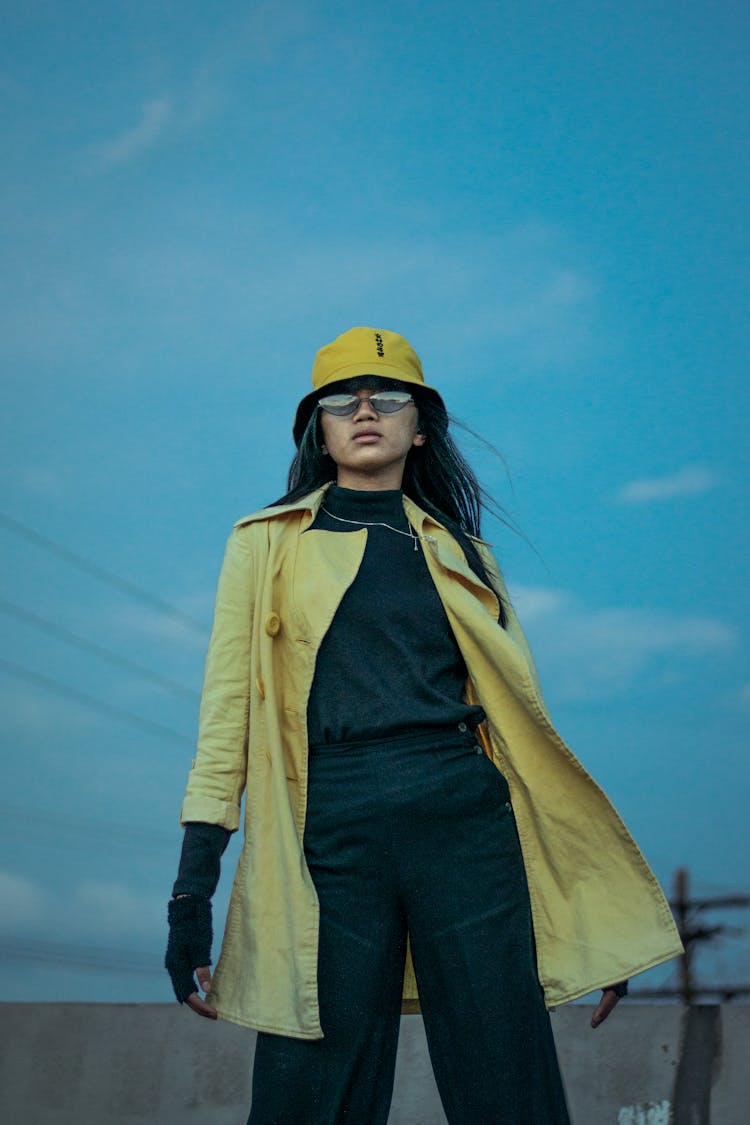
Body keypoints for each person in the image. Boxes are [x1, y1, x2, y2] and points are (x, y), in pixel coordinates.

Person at [165, 327, 682, 1124]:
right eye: (341, 400)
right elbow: (224, 717)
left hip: (464, 817)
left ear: (421, 425)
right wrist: (189, 896)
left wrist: (593, 924)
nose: (364, 411)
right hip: (329, 826)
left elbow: (526, 739)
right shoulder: (263, 544)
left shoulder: (465, 552)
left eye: (388, 397)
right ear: (319, 429)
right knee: (311, 1081)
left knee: (506, 1072)